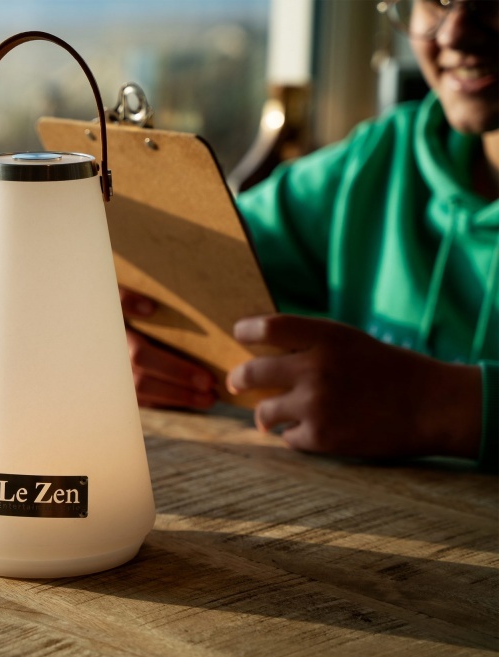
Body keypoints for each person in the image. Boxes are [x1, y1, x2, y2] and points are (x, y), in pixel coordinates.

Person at [122, 0, 497, 470]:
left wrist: (443, 406)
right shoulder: (379, 161)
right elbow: (179, 254)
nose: (455, 33)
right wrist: (126, 321)